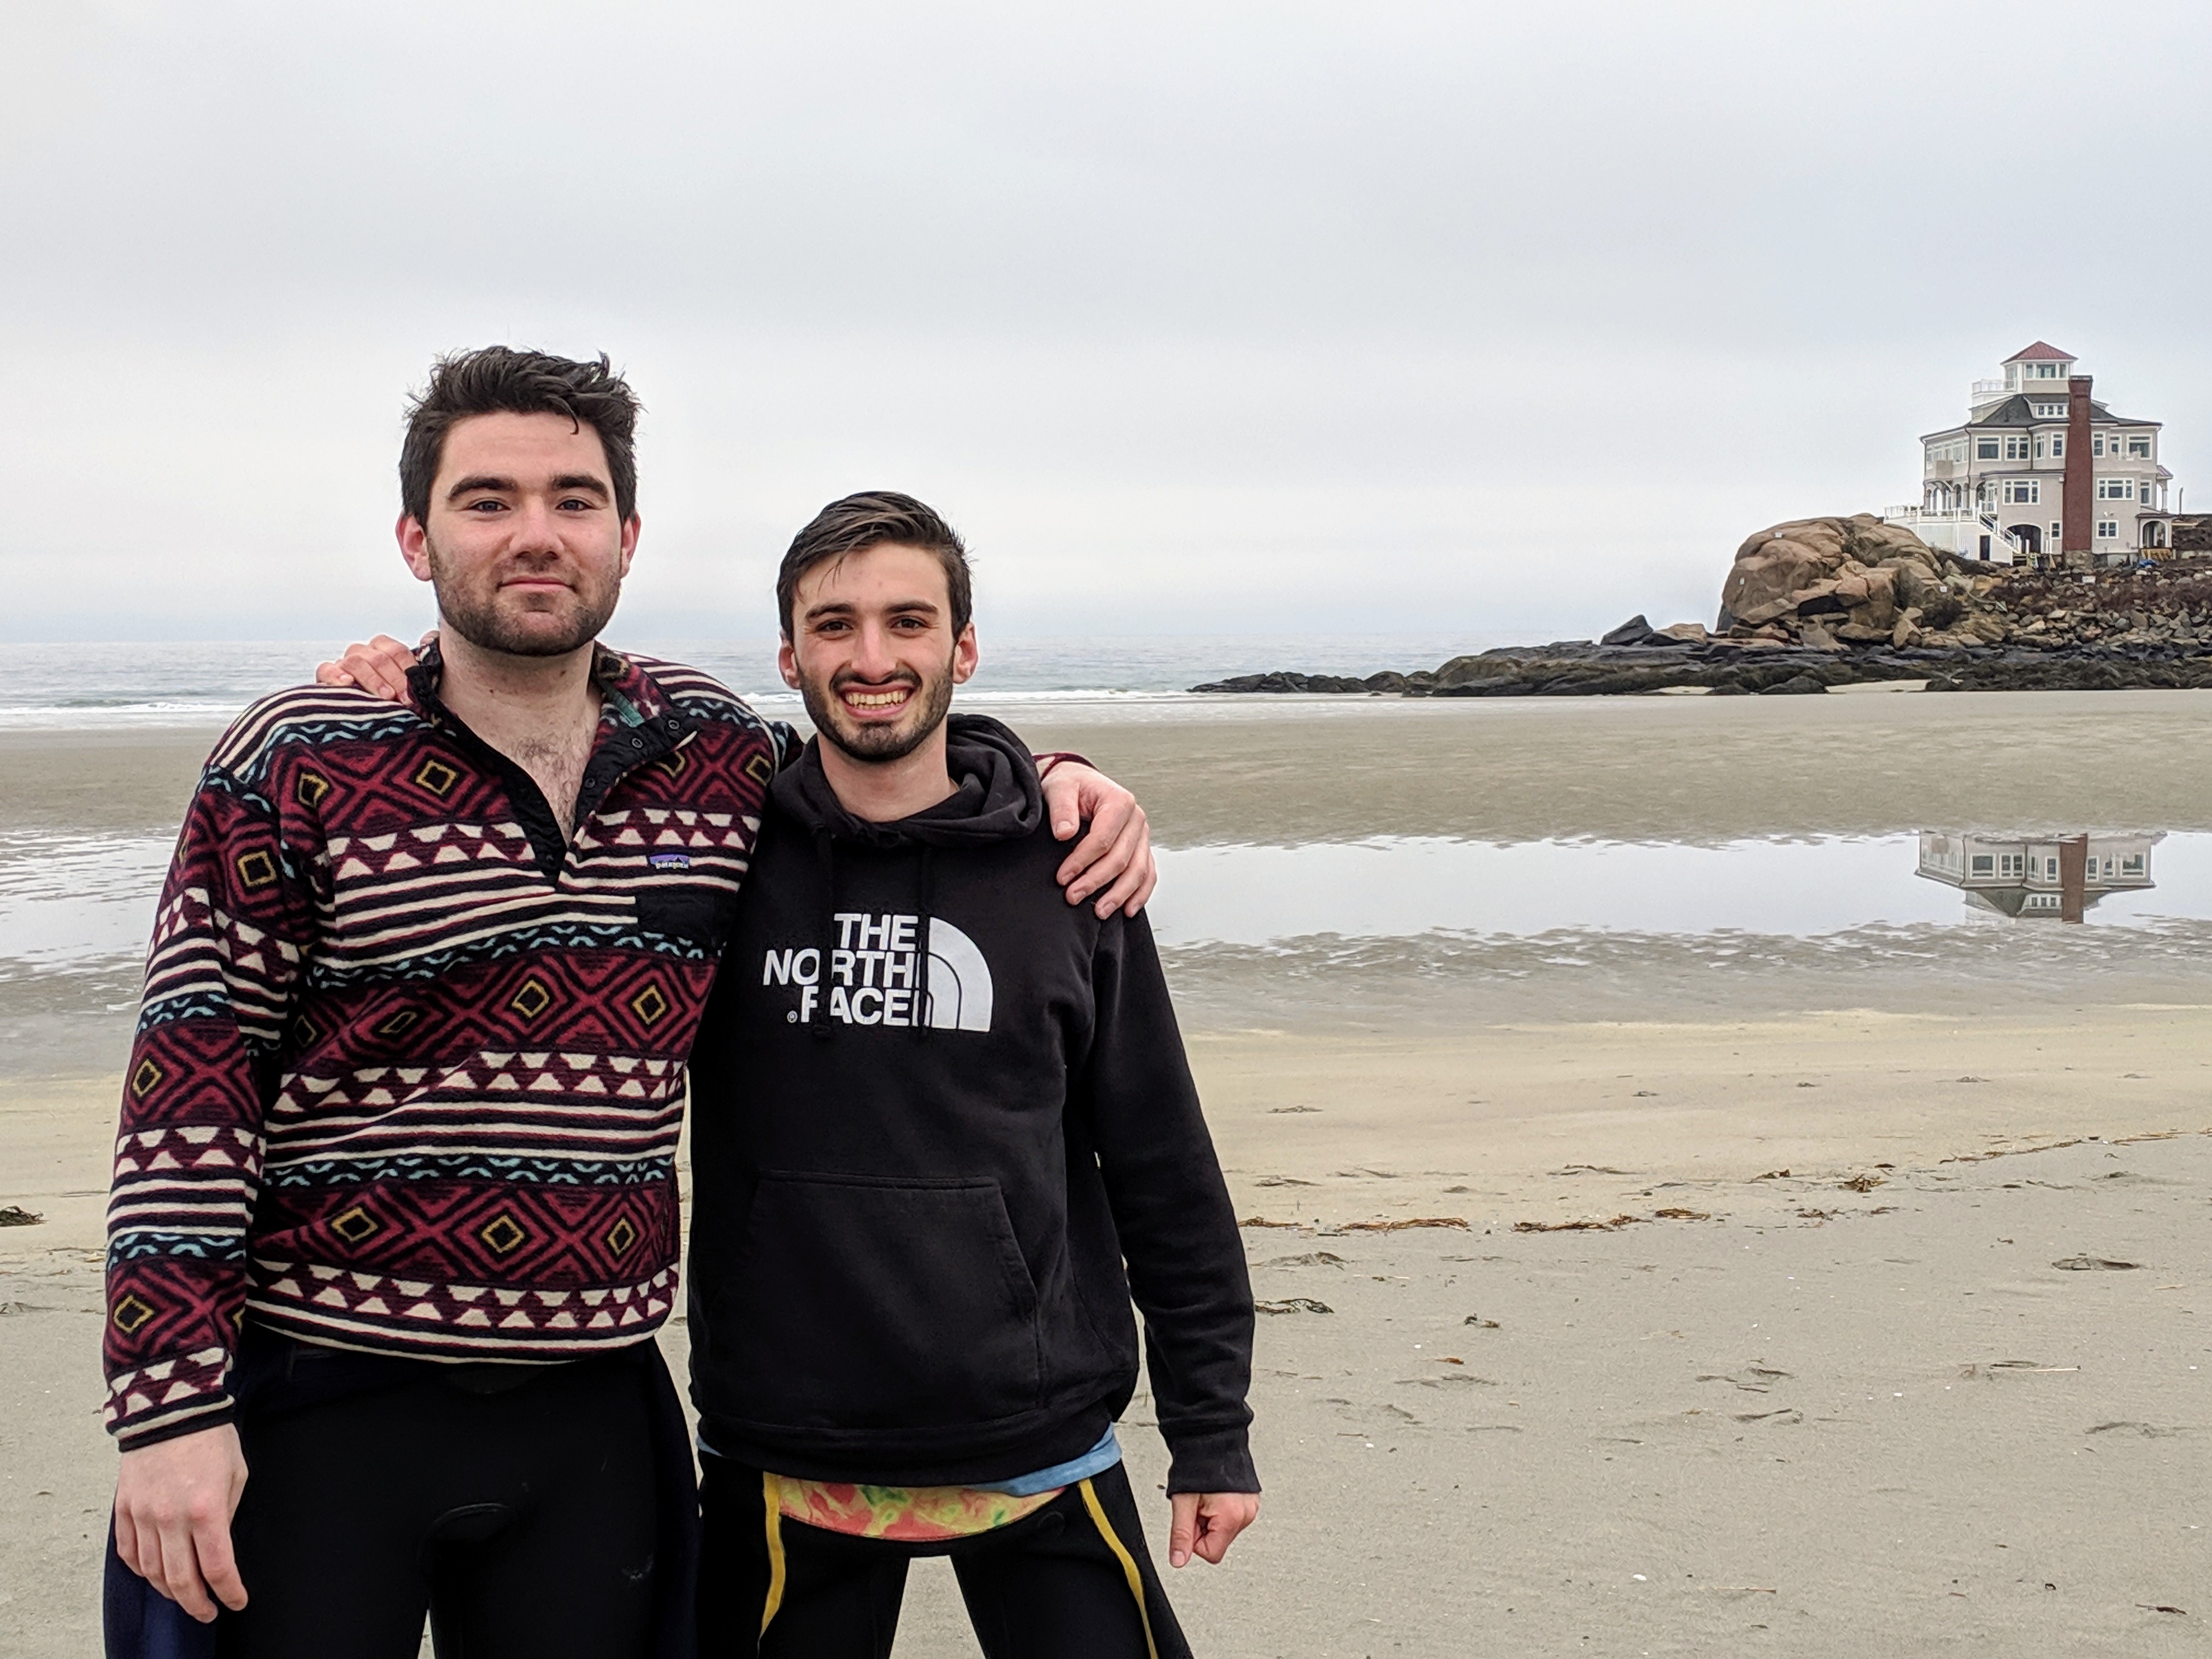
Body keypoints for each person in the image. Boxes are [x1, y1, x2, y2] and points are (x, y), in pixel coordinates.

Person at [102, 348, 1156, 1659]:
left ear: (628, 534)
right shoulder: (298, 755)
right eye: (487, 500)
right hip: (318, 1397)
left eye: (573, 498)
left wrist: (1046, 771)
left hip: (594, 1409)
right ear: (415, 538)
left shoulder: (710, 750)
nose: (534, 533)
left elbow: (888, 774)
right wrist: (168, 1414)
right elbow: (188, 1101)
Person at [683, 492, 1259, 1658]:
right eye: (834, 626)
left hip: (1033, 1431)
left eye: (908, 621)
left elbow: (1159, 1160)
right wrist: (388, 677)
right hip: (788, 1443)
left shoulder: (1069, 871)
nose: (873, 657)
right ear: (789, 654)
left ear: (963, 647)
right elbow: (545, 723)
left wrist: (1211, 1431)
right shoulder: (715, 859)